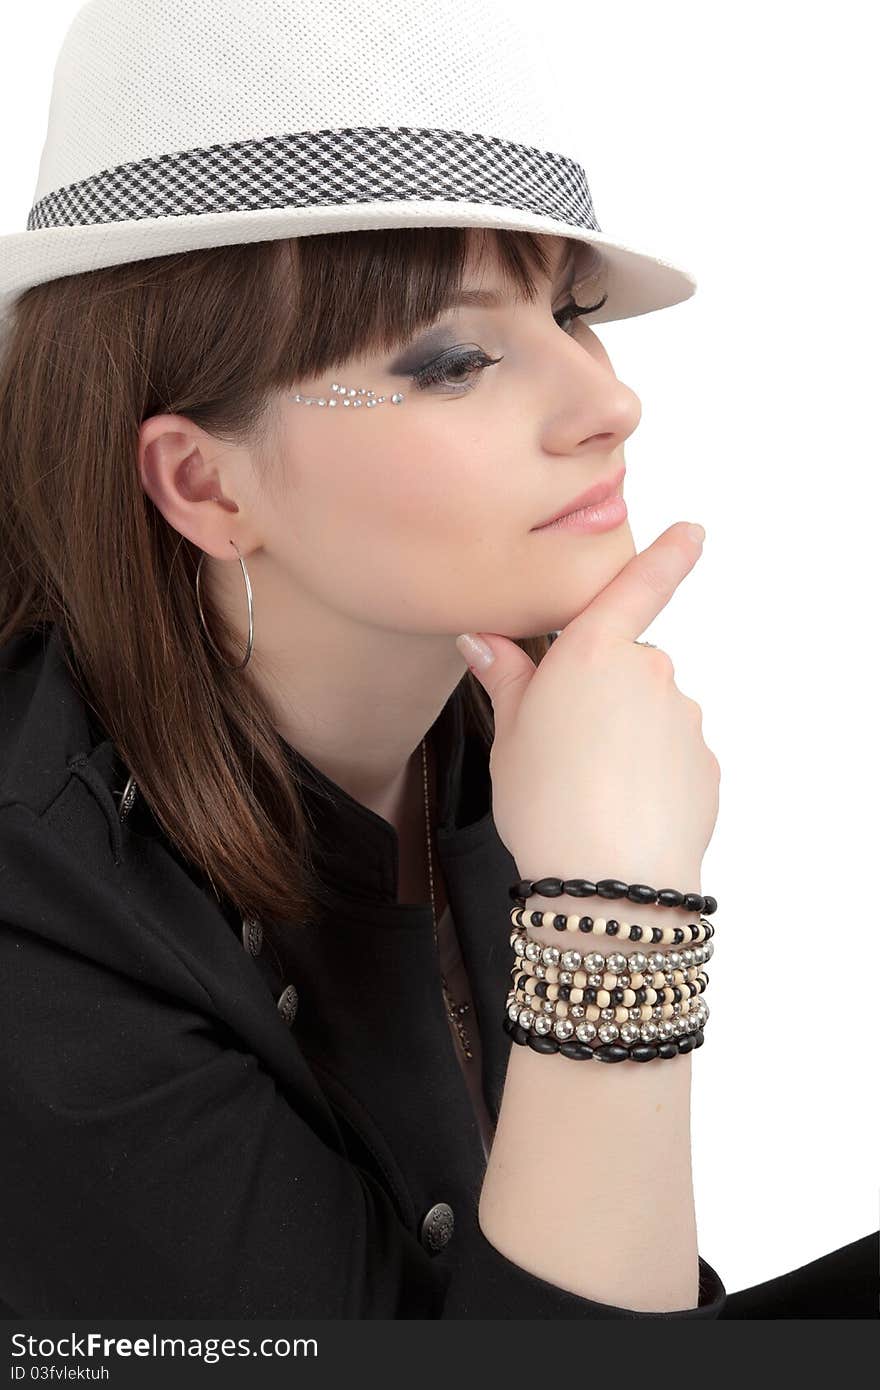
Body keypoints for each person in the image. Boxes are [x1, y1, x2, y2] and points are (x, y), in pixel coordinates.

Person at [0, 0, 876, 1319]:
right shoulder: (37, 931)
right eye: (460, 357)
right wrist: (618, 911)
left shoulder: (493, 724)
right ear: (202, 479)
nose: (609, 401)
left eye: (573, 313)